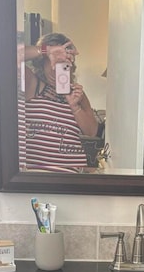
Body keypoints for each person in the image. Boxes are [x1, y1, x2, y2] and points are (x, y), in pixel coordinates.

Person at [18, 33, 99, 173]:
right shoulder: (32, 84)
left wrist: (75, 108)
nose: (58, 67)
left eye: (65, 61)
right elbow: (6, 54)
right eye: (55, 60)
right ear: (43, 61)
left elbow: (91, 132)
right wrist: (46, 50)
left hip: (71, 178)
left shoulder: (76, 93)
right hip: (38, 176)